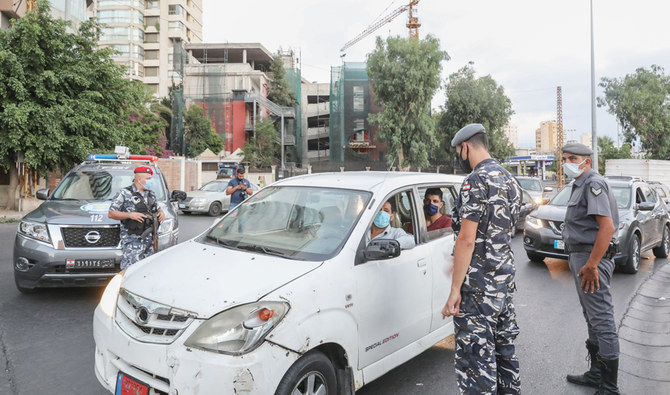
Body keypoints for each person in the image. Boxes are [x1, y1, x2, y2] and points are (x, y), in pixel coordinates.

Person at [441, 123, 522, 394]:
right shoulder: (509, 178)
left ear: (465, 147)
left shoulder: (476, 180)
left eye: (458, 151)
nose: (458, 157)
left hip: (478, 289)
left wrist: (455, 290)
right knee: (503, 352)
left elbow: (466, 239)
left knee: (476, 361)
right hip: (503, 283)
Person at [561, 142, 620, 394]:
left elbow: (607, 228)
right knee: (592, 318)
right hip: (582, 259)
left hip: (590, 260)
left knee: (602, 320)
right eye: (564, 158)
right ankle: (597, 373)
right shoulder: (580, 184)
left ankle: (609, 387)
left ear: (586, 161)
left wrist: (592, 265)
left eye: (573, 158)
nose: (567, 163)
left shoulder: (594, 183)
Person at [108, 166, 165, 269]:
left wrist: (161, 213)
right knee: (131, 271)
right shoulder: (124, 193)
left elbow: (157, 208)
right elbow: (111, 213)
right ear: (139, 179)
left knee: (148, 270)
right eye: (148, 179)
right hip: (133, 242)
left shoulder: (151, 194)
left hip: (150, 241)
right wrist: (129, 215)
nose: (150, 181)